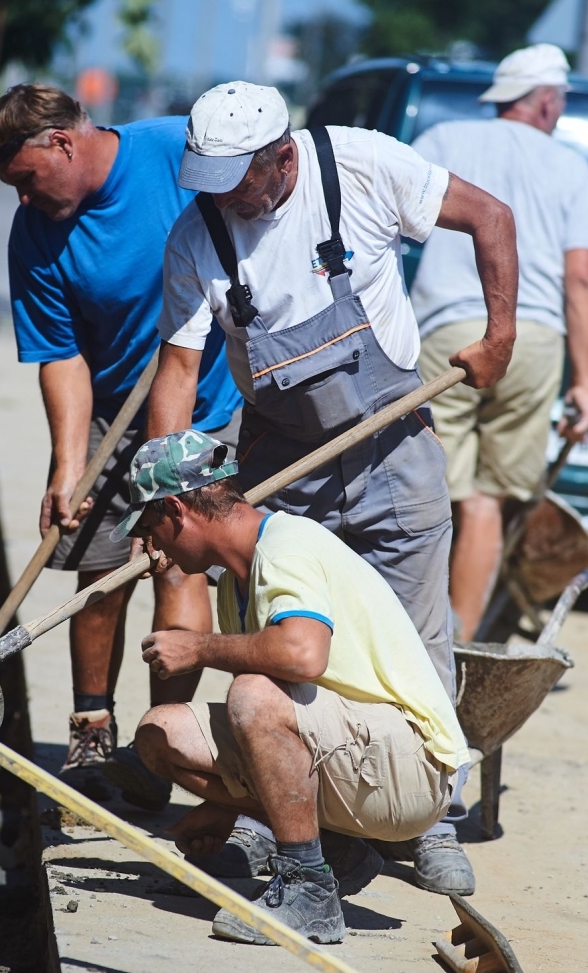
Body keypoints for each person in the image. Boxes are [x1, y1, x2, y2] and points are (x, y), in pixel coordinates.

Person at [145, 81, 518, 895]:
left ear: (281, 159)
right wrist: (164, 494)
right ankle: (291, 814)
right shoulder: (198, 236)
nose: (224, 202)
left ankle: (432, 821)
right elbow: (177, 370)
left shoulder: (359, 164)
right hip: (286, 464)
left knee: (417, 636)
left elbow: (492, 216)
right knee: (284, 645)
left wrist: (499, 333)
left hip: (393, 445)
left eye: (237, 182)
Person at [0, 84, 241, 803]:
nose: (23, 199)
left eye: (27, 179)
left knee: (175, 570)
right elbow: (59, 353)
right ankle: (93, 731)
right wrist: (68, 464)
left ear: (63, 142)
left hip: (204, 406)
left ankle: (160, 743)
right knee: (97, 573)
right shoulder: (35, 231)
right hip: (110, 406)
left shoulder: (174, 151)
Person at [112, 430, 470, 943]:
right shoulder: (238, 580)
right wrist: (224, 807)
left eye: (149, 528)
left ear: (175, 510)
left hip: (412, 769)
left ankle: (309, 890)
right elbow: (268, 737)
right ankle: (332, 852)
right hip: (356, 754)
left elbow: (302, 654)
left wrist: (197, 648)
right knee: (159, 733)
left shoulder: (285, 546)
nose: (150, 546)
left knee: (252, 694)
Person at [412, 44, 588, 641]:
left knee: (426, 495)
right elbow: (580, 278)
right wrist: (582, 382)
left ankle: (410, 635)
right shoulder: (571, 166)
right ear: (547, 100)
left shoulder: (442, 141)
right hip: (534, 339)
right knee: (487, 502)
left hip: (446, 330)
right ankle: (459, 650)